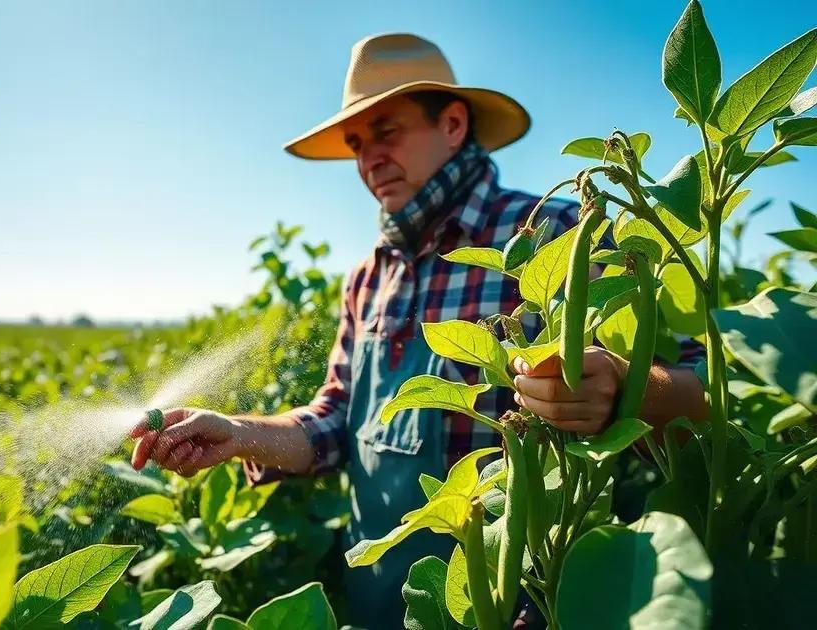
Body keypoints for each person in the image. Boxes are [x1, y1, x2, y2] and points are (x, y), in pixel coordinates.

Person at [128, 33, 709, 629]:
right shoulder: (367, 277)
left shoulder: (555, 231)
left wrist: (617, 386)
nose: (368, 160)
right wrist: (238, 433)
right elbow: (335, 422)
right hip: (383, 602)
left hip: (524, 603)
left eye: (387, 132)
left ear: (453, 124)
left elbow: (699, 392)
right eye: (357, 144)